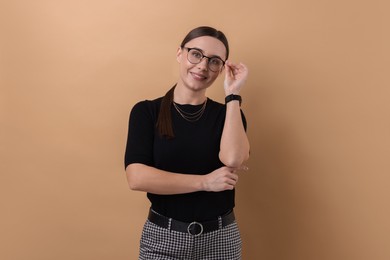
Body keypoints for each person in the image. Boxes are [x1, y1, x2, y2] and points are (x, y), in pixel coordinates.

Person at [124, 26, 250, 260]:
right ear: (180, 53)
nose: (203, 65)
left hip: (221, 239)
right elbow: (137, 177)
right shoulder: (146, 112)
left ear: (221, 69)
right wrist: (205, 182)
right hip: (163, 237)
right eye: (196, 54)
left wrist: (233, 95)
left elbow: (232, 158)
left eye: (214, 61)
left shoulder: (230, 115)